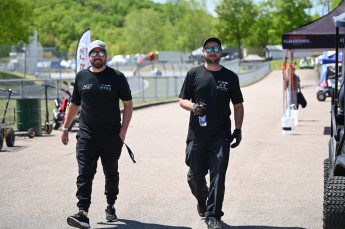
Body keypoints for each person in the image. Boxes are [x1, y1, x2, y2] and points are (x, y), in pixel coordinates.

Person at [61, 40, 133, 229]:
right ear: (89, 56)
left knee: (110, 173)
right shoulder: (81, 77)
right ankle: (83, 212)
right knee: (85, 173)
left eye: (101, 53)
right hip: (87, 135)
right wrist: (65, 127)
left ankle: (110, 205)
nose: (97, 56)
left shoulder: (117, 77)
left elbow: (127, 105)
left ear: (106, 55)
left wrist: (123, 131)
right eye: (94, 53)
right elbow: (74, 105)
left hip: (111, 136)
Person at [179, 37, 244, 229]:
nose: (213, 51)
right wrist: (193, 107)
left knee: (218, 174)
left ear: (221, 51)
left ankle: (213, 215)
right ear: (203, 52)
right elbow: (182, 100)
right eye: (209, 48)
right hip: (197, 135)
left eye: (216, 48)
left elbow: (238, 106)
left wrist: (238, 130)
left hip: (221, 135)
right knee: (195, 176)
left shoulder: (230, 77)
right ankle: (202, 200)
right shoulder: (194, 74)